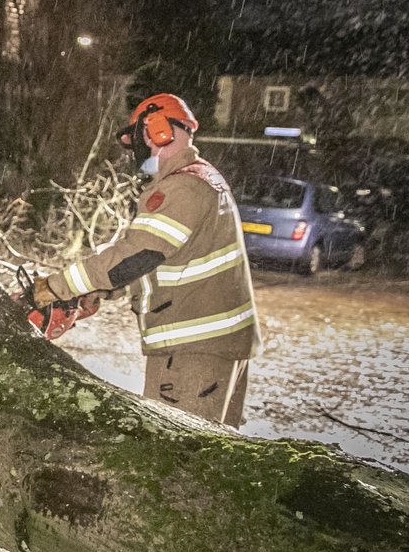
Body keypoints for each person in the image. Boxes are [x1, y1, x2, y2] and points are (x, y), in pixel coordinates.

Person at [32, 93, 261, 427]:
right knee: (211, 458)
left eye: (137, 138)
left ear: (157, 131)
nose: (135, 151)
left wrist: (56, 287)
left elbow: (137, 254)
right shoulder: (202, 178)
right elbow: (165, 260)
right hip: (215, 344)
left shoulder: (183, 188)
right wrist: (102, 291)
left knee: (177, 458)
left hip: (191, 348)